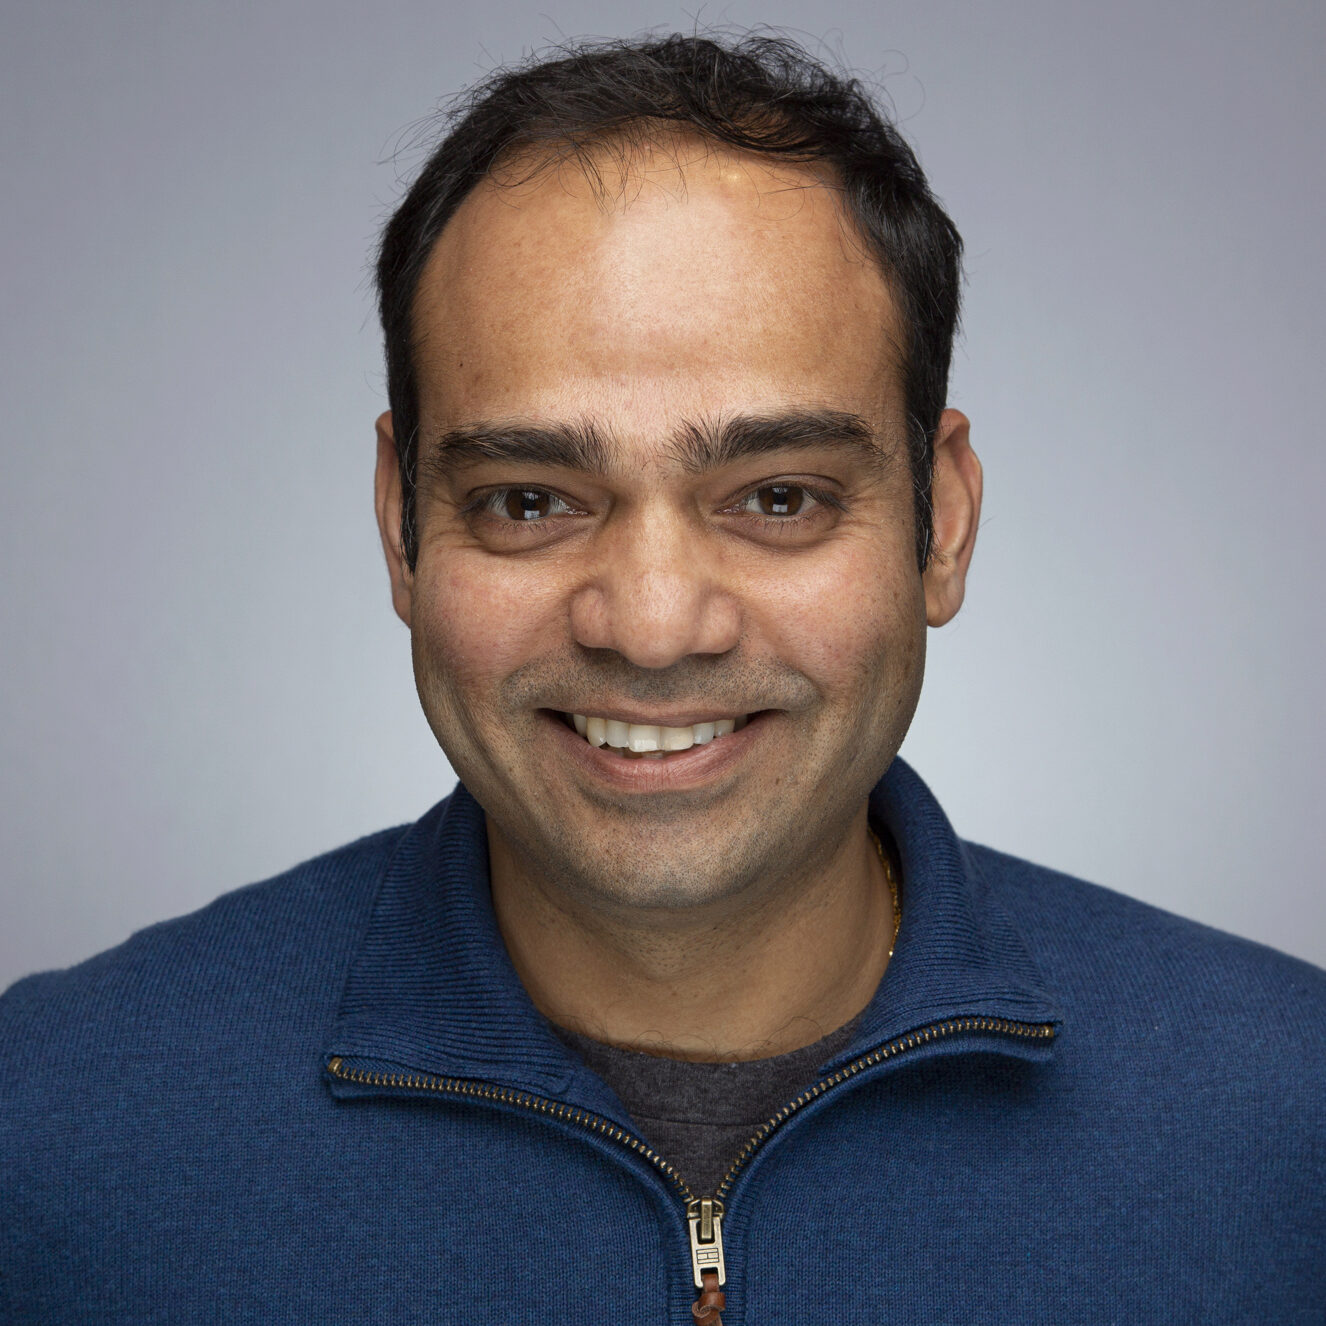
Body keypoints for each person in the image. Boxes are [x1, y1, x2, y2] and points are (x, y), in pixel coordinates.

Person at [2, 32, 1322, 1324]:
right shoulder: (51, 1139)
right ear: (399, 519)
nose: (646, 626)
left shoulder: (1287, 1128)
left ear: (943, 521)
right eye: (528, 499)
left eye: (777, 495)